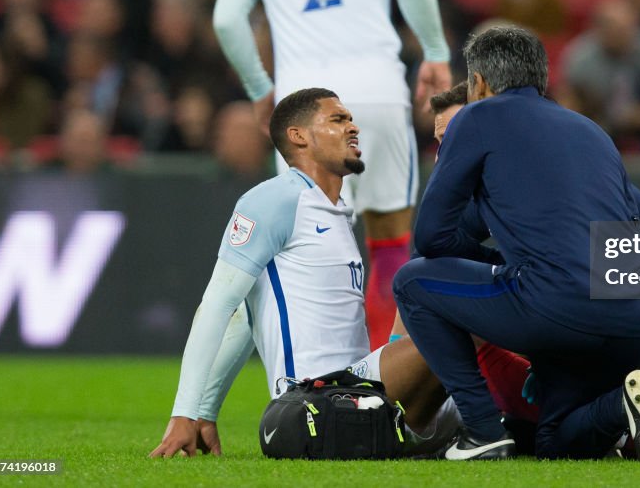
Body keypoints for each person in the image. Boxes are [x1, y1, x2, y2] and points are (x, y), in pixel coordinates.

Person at [425, 82, 640, 459]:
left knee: (555, 430)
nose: (443, 154)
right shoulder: (546, 156)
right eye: (439, 142)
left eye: (453, 136)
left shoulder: (516, 174)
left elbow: (450, 261)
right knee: (533, 409)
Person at [211, 0, 453, 346]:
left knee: (311, 243)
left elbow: (228, 16)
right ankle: (393, 383)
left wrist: (260, 88)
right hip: (379, 90)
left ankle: (325, 382)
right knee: (391, 236)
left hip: (302, 106)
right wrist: (434, 53)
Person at [395, 26, 640, 461]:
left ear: (477, 84)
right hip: (634, 317)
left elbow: (430, 237)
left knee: (413, 281)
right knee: (555, 440)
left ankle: (482, 430)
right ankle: (624, 405)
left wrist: (497, 263)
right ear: (541, 78)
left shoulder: (476, 117)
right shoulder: (590, 129)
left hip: (558, 308)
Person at [149, 88, 455, 459]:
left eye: (350, 119)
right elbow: (218, 305)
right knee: (459, 319)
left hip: (361, 386)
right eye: (337, 120)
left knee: (435, 293)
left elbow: (248, 318)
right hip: (316, 398)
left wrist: (206, 413)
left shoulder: (338, 209)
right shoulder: (274, 200)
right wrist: (186, 412)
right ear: (298, 136)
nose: (353, 127)